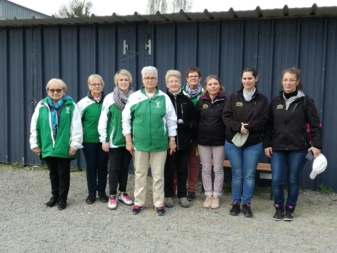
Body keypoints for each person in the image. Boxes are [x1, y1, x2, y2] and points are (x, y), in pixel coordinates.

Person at [264, 67, 322, 221]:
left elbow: (316, 125)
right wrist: (267, 144)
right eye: (285, 80)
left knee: (292, 179)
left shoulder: (306, 101)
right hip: (278, 147)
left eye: (291, 80)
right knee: (276, 179)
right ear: (281, 82)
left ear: (297, 82)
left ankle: (290, 208)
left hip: (298, 148)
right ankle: (278, 207)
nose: (288, 83)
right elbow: (269, 125)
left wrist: (316, 145)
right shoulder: (276, 101)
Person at [122, 66, 177, 216]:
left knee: (158, 175)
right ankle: (139, 202)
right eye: (147, 78)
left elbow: (171, 121)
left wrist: (172, 139)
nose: (150, 80)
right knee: (140, 174)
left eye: (152, 78)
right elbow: (125, 119)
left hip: (160, 144)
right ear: (142, 80)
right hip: (140, 143)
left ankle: (158, 203)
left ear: (157, 79)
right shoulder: (134, 97)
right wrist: (128, 140)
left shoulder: (164, 98)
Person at [30, 78, 83, 210]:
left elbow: (76, 127)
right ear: (48, 91)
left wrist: (74, 144)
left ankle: (62, 199)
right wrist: (35, 144)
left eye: (58, 90)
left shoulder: (71, 106)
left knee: (63, 173)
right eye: (52, 90)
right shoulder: (41, 106)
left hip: (64, 146)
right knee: (53, 173)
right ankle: (54, 196)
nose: (55, 92)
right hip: (47, 146)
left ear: (63, 91)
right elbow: (34, 125)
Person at [222, 67, 269, 218]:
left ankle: (246, 204)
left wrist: (247, 127)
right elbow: (226, 116)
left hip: (253, 143)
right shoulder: (233, 97)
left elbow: (264, 119)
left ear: (256, 79)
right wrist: (238, 127)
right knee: (237, 174)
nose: (247, 81)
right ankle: (235, 203)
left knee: (249, 175)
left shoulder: (262, 100)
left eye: (250, 78)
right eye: (244, 78)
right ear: (241, 80)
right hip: (233, 142)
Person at [98, 69, 134, 210]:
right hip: (114, 141)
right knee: (114, 169)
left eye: (126, 79)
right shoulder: (109, 98)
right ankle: (112, 195)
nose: (124, 82)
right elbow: (103, 120)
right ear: (116, 82)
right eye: (121, 80)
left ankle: (122, 192)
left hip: (129, 141)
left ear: (129, 81)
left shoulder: (135, 97)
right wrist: (104, 139)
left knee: (125, 168)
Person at [164, 70, 196, 208]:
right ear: (167, 83)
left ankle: (182, 195)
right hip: (166, 142)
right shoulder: (163, 99)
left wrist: (185, 125)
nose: (174, 83)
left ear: (180, 83)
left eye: (176, 81)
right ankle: (168, 194)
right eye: (171, 81)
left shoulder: (187, 101)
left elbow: (194, 121)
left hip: (183, 141)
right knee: (169, 169)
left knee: (182, 169)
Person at [196, 75, 226, 209]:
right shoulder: (201, 102)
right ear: (206, 87)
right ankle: (208, 195)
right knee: (206, 168)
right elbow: (196, 120)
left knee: (218, 169)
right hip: (203, 140)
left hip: (220, 140)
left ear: (219, 86)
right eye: (210, 84)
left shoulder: (226, 101)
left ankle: (216, 195)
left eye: (215, 84)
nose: (213, 86)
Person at [77, 74, 109, 205]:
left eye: (99, 84)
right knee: (91, 166)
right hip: (89, 140)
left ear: (102, 85)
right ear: (89, 86)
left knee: (103, 166)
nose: (96, 86)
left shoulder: (108, 101)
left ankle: (101, 192)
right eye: (93, 84)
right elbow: (77, 123)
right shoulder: (82, 103)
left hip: (104, 141)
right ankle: (91, 193)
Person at [182, 66, 203, 201]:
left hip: (197, 134)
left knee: (194, 163)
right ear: (187, 78)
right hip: (182, 134)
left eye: (195, 76)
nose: (193, 78)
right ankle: (177, 188)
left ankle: (192, 190)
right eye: (191, 76)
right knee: (180, 163)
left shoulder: (205, 93)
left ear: (199, 78)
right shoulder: (180, 92)